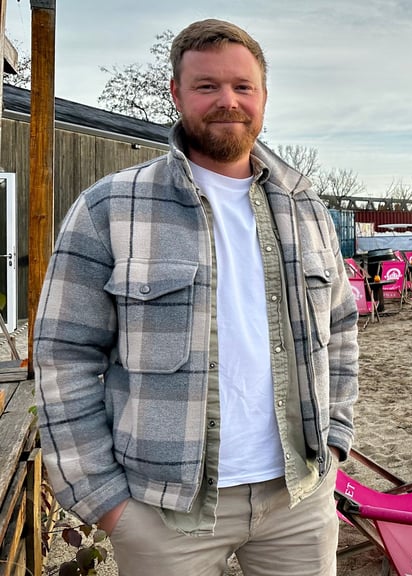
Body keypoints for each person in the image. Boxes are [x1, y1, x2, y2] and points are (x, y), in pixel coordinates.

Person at [33, 19, 358, 576]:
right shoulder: (109, 207)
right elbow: (63, 356)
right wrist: (106, 503)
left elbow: (343, 326)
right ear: (176, 94)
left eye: (243, 86)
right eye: (207, 86)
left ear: (263, 96)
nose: (227, 100)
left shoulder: (307, 209)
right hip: (162, 512)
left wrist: (335, 442)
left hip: (297, 500)